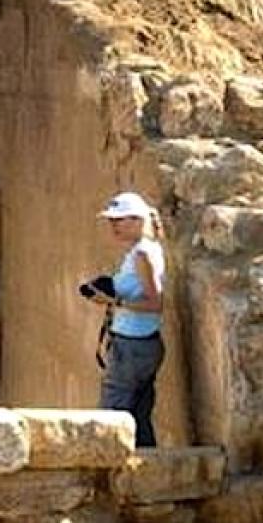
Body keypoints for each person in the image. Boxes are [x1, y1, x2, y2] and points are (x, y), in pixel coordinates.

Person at [84, 191, 166, 447]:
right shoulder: (146, 250)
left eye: (118, 220)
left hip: (131, 347)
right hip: (142, 345)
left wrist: (112, 301)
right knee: (139, 419)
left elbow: (155, 303)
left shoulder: (142, 254)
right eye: (112, 220)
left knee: (112, 416)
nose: (113, 226)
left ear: (137, 220)